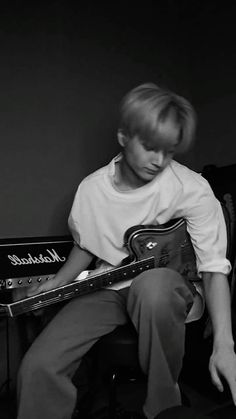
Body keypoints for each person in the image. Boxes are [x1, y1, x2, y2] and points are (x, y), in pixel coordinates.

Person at [17, 83, 236, 419]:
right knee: (39, 364)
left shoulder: (191, 188)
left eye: (170, 151)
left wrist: (224, 345)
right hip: (108, 288)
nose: (159, 161)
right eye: (150, 147)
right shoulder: (92, 190)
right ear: (123, 136)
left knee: (153, 286)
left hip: (173, 289)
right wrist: (58, 282)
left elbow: (214, 267)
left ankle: (163, 404)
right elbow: (86, 246)